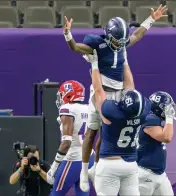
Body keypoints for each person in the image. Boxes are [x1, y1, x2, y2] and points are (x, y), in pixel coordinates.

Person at [62, 5, 168, 192]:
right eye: (116, 41)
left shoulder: (121, 44)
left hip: (120, 93)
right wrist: (68, 35)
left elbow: (138, 35)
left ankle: (97, 167)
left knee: (108, 133)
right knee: (91, 132)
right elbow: (76, 48)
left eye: (122, 42)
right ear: (107, 35)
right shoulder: (98, 45)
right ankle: (84, 171)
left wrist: (151, 20)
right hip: (101, 92)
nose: (119, 45)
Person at [89, 49, 150, 195]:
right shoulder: (143, 112)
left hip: (110, 164)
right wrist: (125, 60)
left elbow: (98, 90)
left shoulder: (113, 112)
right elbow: (131, 86)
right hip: (130, 165)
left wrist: (95, 65)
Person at [47, 80, 94, 196]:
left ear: (69, 94)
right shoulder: (88, 108)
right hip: (89, 157)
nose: (61, 98)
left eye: (62, 94)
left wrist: (54, 167)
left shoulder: (67, 109)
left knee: (55, 194)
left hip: (73, 159)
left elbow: (66, 142)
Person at [137, 91, 176, 196]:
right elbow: (166, 138)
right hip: (145, 173)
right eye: (167, 107)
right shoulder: (150, 119)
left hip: (159, 173)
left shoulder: (154, 119)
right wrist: (169, 118)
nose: (170, 110)